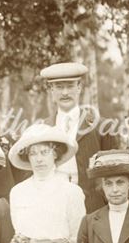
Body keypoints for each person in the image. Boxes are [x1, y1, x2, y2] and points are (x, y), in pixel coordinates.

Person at [40, 61, 114, 211]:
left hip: (92, 207)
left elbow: (113, 171)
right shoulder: (43, 129)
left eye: (70, 86)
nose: (65, 93)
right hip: (53, 204)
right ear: (51, 91)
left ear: (79, 88)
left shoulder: (100, 126)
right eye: (59, 87)